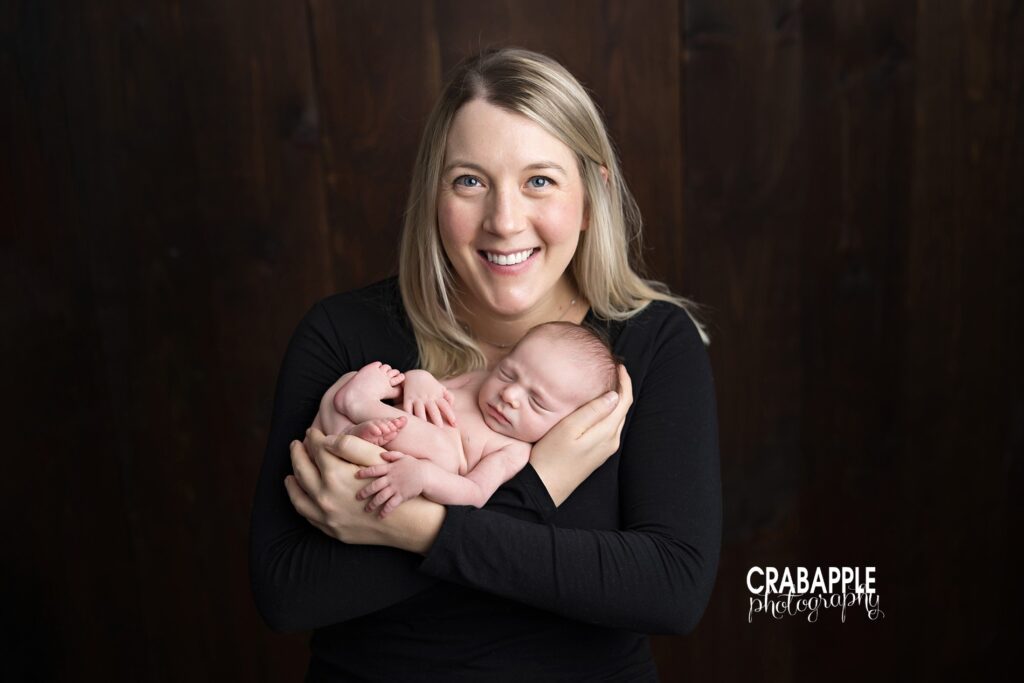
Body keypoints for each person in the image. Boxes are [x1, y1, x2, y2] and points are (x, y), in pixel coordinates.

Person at [250, 47, 721, 681]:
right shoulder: (345, 335)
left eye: (540, 181)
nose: (503, 221)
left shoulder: (650, 344)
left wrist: (416, 528)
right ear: (433, 196)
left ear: (590, 198)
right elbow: (288, 591)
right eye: (470, 181)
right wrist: (538, 489)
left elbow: (671, 587)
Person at [310, 322, 619, 516]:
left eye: (536, 402)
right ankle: (357, 413)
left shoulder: (514, 451)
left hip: (392, 470)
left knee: (443, 450)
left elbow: (474, 493)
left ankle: (360, 412)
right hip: (344, 434)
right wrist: (419, 379)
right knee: (362, 377)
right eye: (508, 373)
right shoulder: (477, 381)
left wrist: (424, 477)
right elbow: (424, 391)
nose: (510, 394)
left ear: (566, 424)